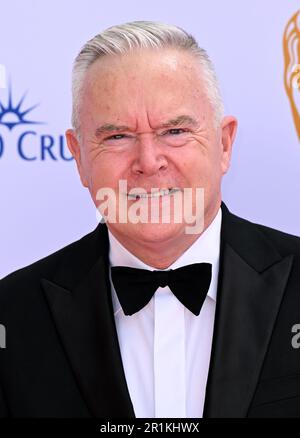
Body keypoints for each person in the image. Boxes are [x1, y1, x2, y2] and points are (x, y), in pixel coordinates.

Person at [0, 20, 300, 419]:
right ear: (79, 156)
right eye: (117, 137)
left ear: (224, 144)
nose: (148, 162)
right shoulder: (12, 313)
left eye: (175, 131)